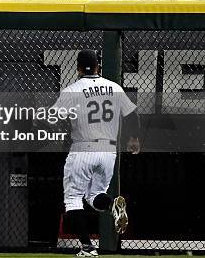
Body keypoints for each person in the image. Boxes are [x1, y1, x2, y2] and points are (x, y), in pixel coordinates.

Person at [50, 49, 140, 257]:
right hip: (108, 151)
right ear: (98, 66)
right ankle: (112, 205)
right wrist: (134, 139)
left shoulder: (73, 89)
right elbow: (132, 113)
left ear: (78, 68)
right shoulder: (114, 87)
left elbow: (53, 117)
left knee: (73, 199)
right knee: (94, 196)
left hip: (83, 147)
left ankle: (88, 247)